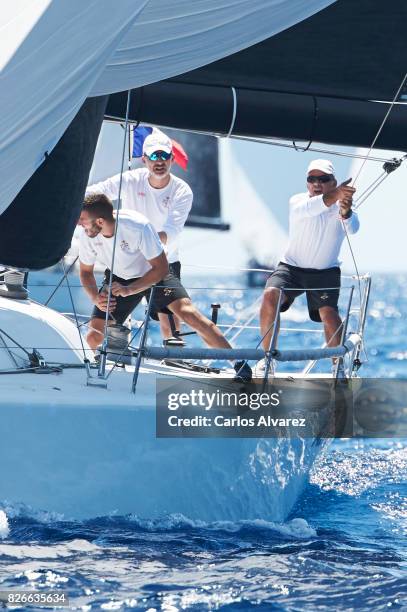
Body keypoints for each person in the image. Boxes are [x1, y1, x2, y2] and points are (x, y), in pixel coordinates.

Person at [78, 193, 252, 382]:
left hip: (155, 273)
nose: (80, 224)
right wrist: (96, 298)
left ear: (100, 221)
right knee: (94, 334)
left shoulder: (138, 226)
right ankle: (84, 371)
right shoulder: (88, 235)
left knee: (189, 314)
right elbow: (86, 273)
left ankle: (239, 363)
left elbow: (160, 268)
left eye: (83, 220)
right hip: (119, 278)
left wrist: (130, 289)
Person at [86, 131, 192, 342]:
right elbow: (97, 191)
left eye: (164, 156)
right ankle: (92, 363)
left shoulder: (182, 190)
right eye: (153, 156)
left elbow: (171, 232)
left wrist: (143, 243)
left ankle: (174, 360)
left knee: (169, 326)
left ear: (172, 158)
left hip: (163, 263)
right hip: (126, 263)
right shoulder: (131, 180)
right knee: (96, 329)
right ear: (144, 160)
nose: (159, 161)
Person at [260, 159, 359, 374]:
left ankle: (339, 369)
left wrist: (346, 210)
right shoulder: (297, 202)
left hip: (325, 273)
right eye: (312, 179)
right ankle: (266, 360)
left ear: (333, 182)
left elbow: (353, 228)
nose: (317, 183)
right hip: (291, 268)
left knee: (329, 315)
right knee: (270, 295)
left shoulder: (341, 205)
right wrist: (338, 195)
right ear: (307, 183)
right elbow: (318, 205)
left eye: (323, 179)